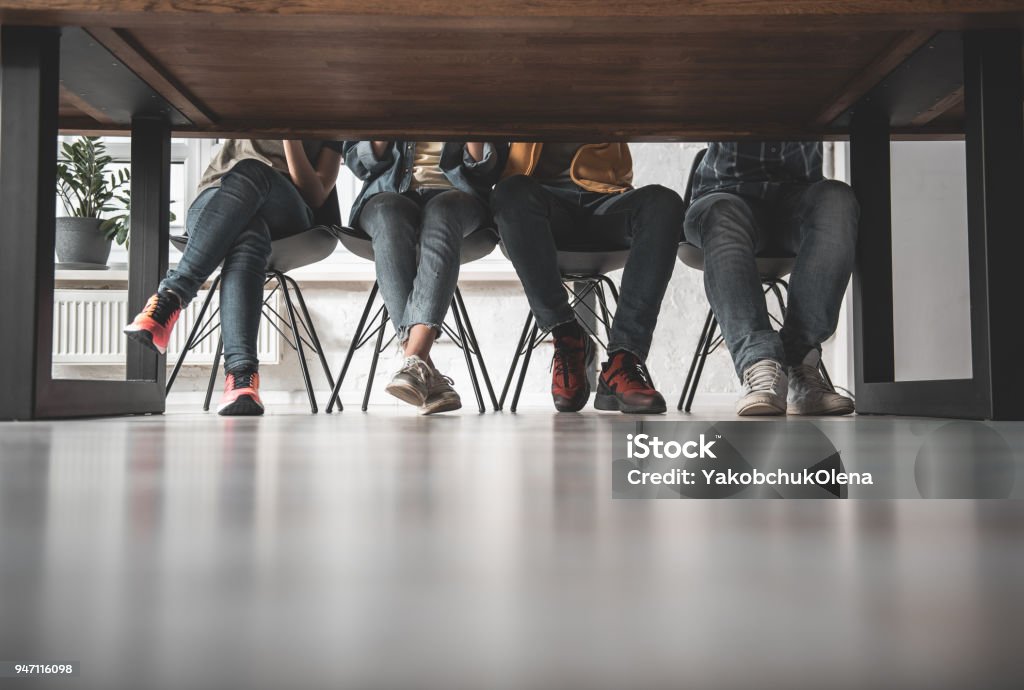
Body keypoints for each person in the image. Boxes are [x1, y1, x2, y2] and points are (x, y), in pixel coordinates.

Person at [124, 139, 343, 416]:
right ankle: (241, 380)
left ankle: (171, 297)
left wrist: (291, 137)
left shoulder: (329, 108)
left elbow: (316, 195)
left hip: (287, 207)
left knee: (253, 170)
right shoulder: (251, 94)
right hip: (216, 199)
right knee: (249, 233)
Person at [491, 143, 684, 414]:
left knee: (664, 202)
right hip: (538, 207)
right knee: (510, 191)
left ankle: (624, 360)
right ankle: (566, 337)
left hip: (605, 200)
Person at [683, 142, 858, 416]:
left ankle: (799, 362)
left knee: (837, 198)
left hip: (798, 197)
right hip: (725, 193)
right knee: (722, 212)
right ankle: (758, 363)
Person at [344, 140, 507, 414]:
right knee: (388, 213)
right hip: (387, 193)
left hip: (457, 195)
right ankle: (424, 370)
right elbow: (360, 164)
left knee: (442, 212)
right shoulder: (378, 94)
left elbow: (487, 172)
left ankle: (415, 361)